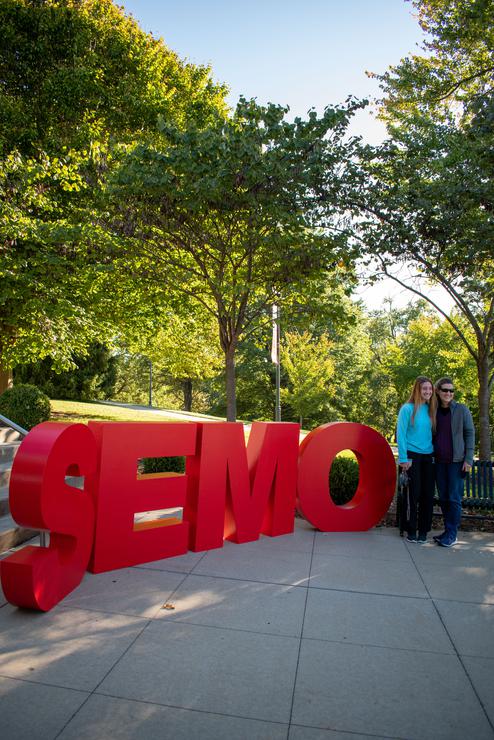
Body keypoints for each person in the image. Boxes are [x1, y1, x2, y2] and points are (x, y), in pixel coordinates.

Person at [433, 377, 475, 548]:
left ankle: (452, 533)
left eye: (451, 390)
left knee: (454, 498)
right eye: (445, 390)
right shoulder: (432, 410)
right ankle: (447, 530)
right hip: (439, 462)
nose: (449, 393)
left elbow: (470, 433)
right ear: (438, 391)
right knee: (443, 498)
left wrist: (469, 459)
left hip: (457, 462)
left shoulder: (461, 410)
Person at [396, 376, 437, 543]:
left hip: (429, 457)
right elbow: (401, 435)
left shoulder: (431, 409)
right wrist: (404, 458)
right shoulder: (407, 409)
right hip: (412, 457)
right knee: (413, 494)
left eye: (430, 389)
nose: (427, 391)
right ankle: (411, 529)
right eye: (424, 389)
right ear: (417, 390)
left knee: (427, 495)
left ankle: (423, 531)